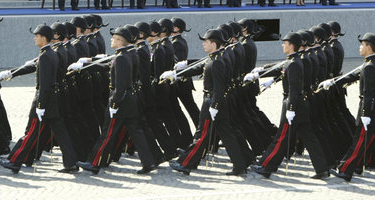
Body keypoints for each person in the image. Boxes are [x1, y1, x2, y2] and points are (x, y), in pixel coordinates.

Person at [320, 33, 375, 182]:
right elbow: (352, 75)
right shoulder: (370, 63)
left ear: (369, 47)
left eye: (362, 45)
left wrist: (366, 113)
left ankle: (345, 170)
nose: (360, 47)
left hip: (370, 109)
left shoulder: (370, 66)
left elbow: (368, 92)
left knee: (359, 141)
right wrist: (333, 81)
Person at [167, 29, 250, 176]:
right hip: (217, 101)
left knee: (202, 135)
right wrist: (177, 73)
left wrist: (214, 106)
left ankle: (186, 163)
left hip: (213, 101)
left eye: (206, 41)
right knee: (227, 134)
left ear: (214, 43)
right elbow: (200, 67)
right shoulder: (216, 56)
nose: (204, 44)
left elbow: (219, 87)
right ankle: (240, 166)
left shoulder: (218, 61)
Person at [247, 32, 329, 179]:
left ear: (291, 46)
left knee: (282, 137)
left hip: (293, 105)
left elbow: (294, 89)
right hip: (299, 104)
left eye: (285, 43)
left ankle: (266, 166)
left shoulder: (294, 63)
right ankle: (322, 168)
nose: (282, 45)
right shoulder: (293, 61)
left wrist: (290, 109)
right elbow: (280, 69)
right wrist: (261, 73)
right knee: (309, 138)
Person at [0, 24, 78, 174]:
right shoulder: (50, 53)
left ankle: (15, 161)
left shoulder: (46, 56)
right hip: (52, 99)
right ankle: (70, 163)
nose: (34, 38)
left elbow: (45, 84)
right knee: (60, 132)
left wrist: (40, 104)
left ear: (43, 38)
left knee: (32, 132)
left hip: (45, 100)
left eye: (37, 36)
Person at [76, 27, 157, 175]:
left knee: (108, 133)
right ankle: (149, 161)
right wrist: (86, 65)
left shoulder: (121, 57)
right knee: (136, 132)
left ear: (120, 41)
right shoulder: (129, 53)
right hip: (131, 100)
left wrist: (114, 104)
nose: (111, 40)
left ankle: (94, 163)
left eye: (114, 38)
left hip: (122, 101)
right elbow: (109, 66)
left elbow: (120, 86)